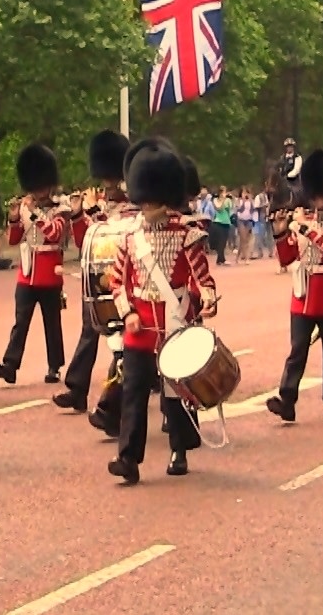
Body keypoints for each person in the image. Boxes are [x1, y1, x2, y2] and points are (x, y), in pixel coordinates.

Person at [106, 140, 217, 483]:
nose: (149, 205)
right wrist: (127, 314)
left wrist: (207, 300)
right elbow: (116, 283)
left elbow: (203, 279)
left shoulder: (187, 236)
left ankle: (179, 448)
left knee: (175, 392)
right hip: (140, 327)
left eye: (153, 198)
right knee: (133, 393)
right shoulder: (128, 238)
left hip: (174, 322)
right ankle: (128, 458)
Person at [268, 150, 323, 422]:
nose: (322, 202)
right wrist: (281, 232)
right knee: (297, 349)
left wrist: (302, 227)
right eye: (318, 196)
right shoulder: (302, 222)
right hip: (302, 293)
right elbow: (288, 258)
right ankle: (287, 399)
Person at [57, 130, 133, 413]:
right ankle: (77, 388)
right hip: (100, 282)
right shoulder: (101, 208)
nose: (108, 184)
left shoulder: (133, 204)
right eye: (106, 179)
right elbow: (84, 243)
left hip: (125, 280)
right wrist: (79, 215)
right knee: (90, 329)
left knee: (123, 341)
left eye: (112, 179)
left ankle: (114, 401)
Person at [0, 144, 68, 386]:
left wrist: (34, 214)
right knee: (20, 321)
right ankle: (11, 365)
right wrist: (14, 217)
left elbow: (55, 234)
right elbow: (14, 239)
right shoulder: (25, 207)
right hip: (27, 273)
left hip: (49, 273)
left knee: (51, 324)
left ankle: (54, 366)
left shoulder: (61, 208)